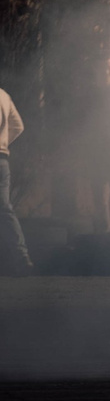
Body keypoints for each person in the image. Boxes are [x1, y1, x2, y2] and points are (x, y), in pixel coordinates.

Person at [0, 82, 29, 275]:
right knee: (4, 208)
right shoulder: (3, 95)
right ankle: (21, 257)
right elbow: (18, 126)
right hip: (2, 159)